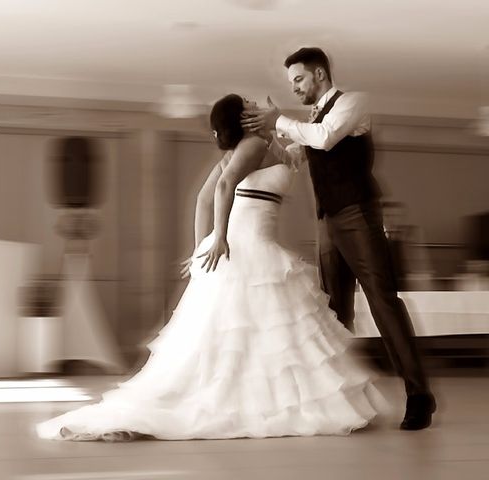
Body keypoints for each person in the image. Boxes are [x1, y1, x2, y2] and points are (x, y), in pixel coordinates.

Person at [36, 94, 383, 442]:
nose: (254, 103)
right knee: (245, 334)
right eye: (249, 103)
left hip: (255, 246)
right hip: (245, 247)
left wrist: (200, 247)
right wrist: (215, 239)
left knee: (258, 335)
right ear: (244, 118)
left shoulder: (265, 144)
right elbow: (219, 188)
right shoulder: (249, 146)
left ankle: (265, 401)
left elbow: (211, 195)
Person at [241, 47, 436, 430]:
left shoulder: (353, 104)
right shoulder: (312, 119)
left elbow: (325, 138)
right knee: (334, 312)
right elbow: (298, 154)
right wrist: (269, 131)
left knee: (382, 302)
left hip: (358, 215)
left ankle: (419, 396)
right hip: (328, 221)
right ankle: (346, 400)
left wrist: (279, 119)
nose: (295, 88)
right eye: (292, 83)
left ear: (319, 74)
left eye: (298, 79)